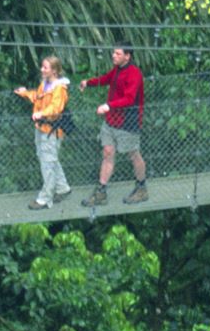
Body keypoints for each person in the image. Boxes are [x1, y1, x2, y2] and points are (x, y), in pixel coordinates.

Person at [80, 45, 147, 205]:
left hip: (127, 122)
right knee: (108, 152)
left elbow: (129, 99)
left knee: (133, 154)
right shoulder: (117, 69)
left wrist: (108, 106)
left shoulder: (134, 74)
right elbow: (105, 79)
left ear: (127, 56)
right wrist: (88, 83)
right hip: (111, 120)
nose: (114, 56)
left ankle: (141, 188)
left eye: (118, 53)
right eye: (113, 52)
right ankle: (101, 192)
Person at [13, 56, 73, 209]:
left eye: (45, 67)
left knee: (48, 163)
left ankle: (45, 198)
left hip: (52, 130)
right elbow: (37, 97)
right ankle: (62, 187)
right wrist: (25, 93)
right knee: (48, 159)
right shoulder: (45, 84)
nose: (42, 69)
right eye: (42, 67)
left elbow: (56, 108)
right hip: (41, 128)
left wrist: (42, 113)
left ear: (54, 70)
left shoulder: (60, 89)